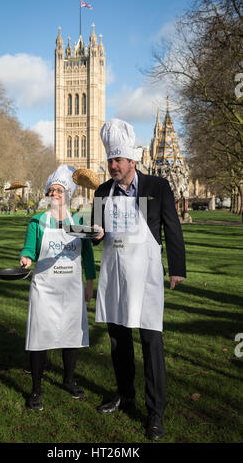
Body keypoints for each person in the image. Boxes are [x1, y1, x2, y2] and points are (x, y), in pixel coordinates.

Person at [91, 119, 186, 440]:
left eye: (117, 160)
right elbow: (96, 232)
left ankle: (155, 411)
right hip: (115, 273)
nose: (112, 166)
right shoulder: (103, 192)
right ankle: (125, 394)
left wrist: (177, 267)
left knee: (151, 340)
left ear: (132, 161)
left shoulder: (157, 188)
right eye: (110, 161)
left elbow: (172, 227)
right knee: (118, 339)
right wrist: (94, 233)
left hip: (145, 275)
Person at [20, 165, 96, 411]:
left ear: (68, 194)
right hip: (45, 288)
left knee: (71, 336)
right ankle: (36, 390)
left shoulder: (78, 222)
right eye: (51, 191)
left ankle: (69, 379)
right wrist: (26, 258)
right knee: (39, 338)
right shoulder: (38, 221)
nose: (54, 194)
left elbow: (87, 254)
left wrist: (90, 283)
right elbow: (29, 247)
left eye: (59, 190)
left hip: (71, 289)